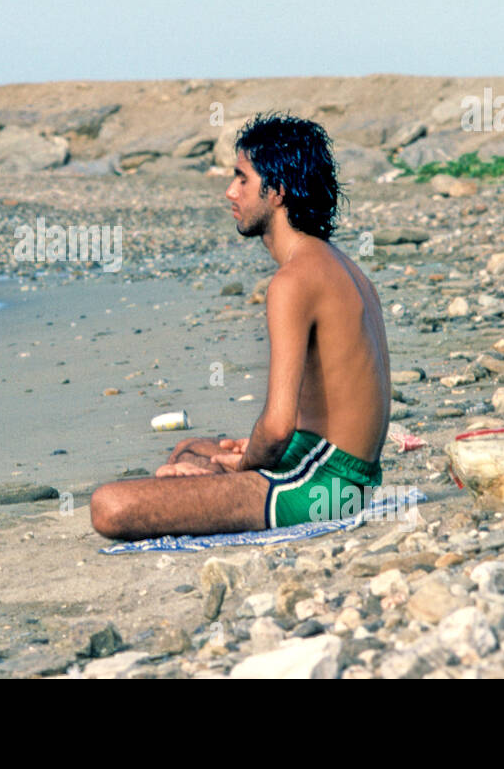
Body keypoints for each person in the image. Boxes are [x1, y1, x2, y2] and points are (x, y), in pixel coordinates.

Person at [90, 112, 391, 540]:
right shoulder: (345, 268)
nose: (230, 191)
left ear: (277, 191)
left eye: (242, 179)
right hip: (333, 465)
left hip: (324, 486)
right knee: (188, 450)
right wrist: (241, 455)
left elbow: (278, 426)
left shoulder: (292, 281)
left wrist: (246, 464)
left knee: (110, 506)